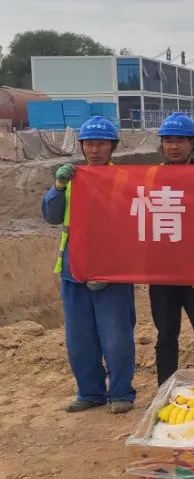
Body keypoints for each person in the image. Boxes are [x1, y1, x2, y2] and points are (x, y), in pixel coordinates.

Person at [42, 116, 136, 413]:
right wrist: (58, 188)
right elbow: (52, 217)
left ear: (112, 147)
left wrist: (114, 267)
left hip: (113, 273)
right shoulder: (72, 180)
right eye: (89, 144)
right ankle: (90, 392)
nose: (95, 150)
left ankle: (120, 393)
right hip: (75, 271)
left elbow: (134, 227)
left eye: (101, 144)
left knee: (117, 336)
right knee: (79, 337)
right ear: (82, 146)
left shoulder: (124, 180)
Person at [150, 113, 194, 384]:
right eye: (168, 140)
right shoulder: (151, 176)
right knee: (166, 335)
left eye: (180, 140)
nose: (174, 146)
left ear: (193, 143)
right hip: (163, 273)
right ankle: (164, 388)